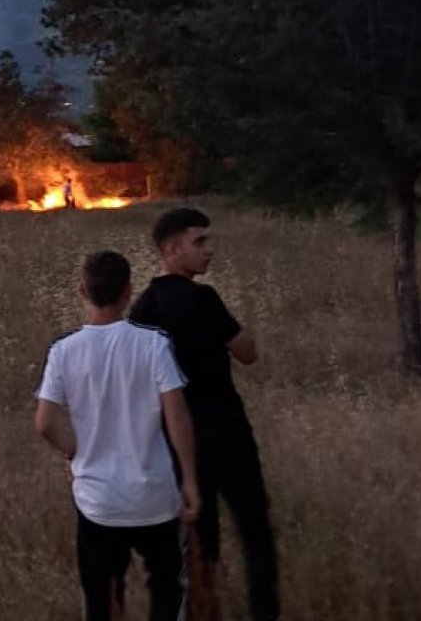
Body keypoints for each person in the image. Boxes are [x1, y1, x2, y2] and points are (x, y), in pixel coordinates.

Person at [128, 208, 278, 621]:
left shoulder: (142, 310)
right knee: (254, 528)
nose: (209, 251)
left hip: (176, 440)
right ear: (171, 249)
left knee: (198, 537)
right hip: (225, 429)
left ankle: (201, 611)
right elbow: (247, 352)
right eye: (199, 242)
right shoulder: (204, 298)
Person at [36, 250, 200, 621]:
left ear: (82, 291)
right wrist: (188, 479)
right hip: (154, 496)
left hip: (99, 501)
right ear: (129, 291)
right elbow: (177, 416)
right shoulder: (154, 345)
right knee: (166, 588)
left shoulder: (63, 352)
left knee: (102, 597)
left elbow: (44, 423)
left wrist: (73, 452)